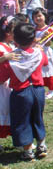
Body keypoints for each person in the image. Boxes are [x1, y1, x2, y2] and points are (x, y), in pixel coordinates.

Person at [0, 23, 48, 160]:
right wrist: (39, 49)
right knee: (38, 117)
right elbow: (45, 63)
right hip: (38, 90)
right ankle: (41, 145)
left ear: (15, 40)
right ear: (33, 39)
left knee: (22, 121)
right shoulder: (39, 53)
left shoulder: (10, 58)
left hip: (21, 93)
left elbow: (2, 78)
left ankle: (27, 151)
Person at [0, 16, 20, 149]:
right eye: (15, 31)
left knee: (10, 110)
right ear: (8, 33)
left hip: (9, 85)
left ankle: (18, 140)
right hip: (1, 86)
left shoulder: (12, 45)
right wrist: (4, 57)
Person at [33, 8, 53, 100]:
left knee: (48, 70)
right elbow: (32, 40)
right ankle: (40, 87)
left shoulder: (49, 29)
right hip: (36, 53)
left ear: (44, 16)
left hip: (46, 52)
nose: (38, 18)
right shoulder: (33, 29)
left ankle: (51, 90)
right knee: (38, 71)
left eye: (40, 16)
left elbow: (48, 43)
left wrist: (46, 37)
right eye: (35, 17)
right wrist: (41, 38)